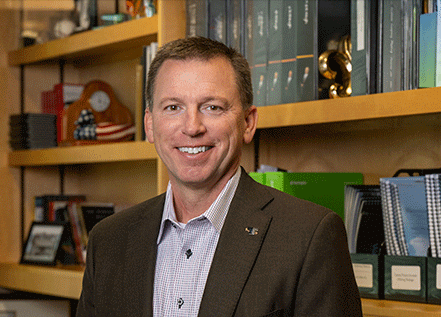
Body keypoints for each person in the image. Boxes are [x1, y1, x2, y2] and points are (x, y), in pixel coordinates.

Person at [76, 37, 362, 317]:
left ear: (248, 123)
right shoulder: (109, 241)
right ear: (150, 125)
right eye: (173, 107)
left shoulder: (309, 236)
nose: (192, 127)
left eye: (212, 107)